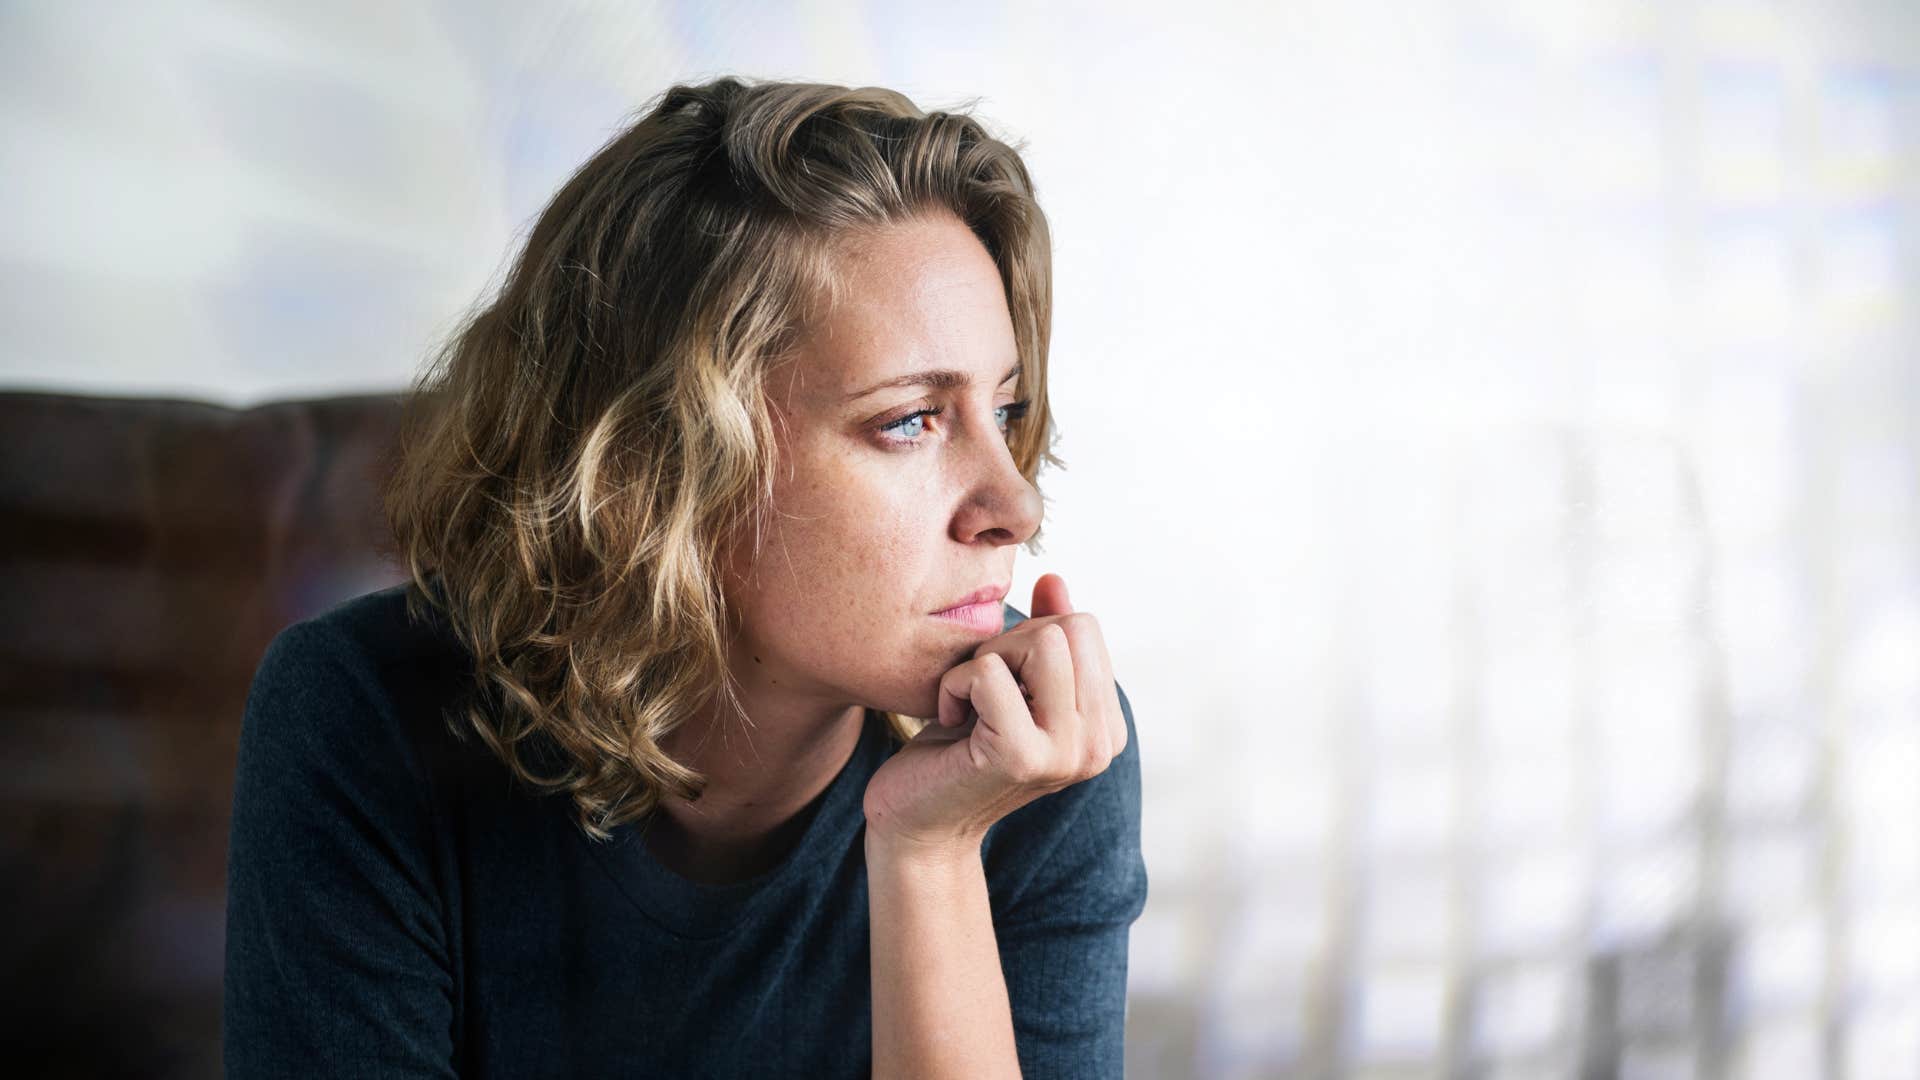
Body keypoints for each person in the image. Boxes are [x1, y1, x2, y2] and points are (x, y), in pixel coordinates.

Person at [223, 76, 1145, 1079]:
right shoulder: (362, 717)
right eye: (909, 420)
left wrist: (929, 854)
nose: (1016, 504)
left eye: (1004, 411)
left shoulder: (1038, 757)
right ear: (662, 465)